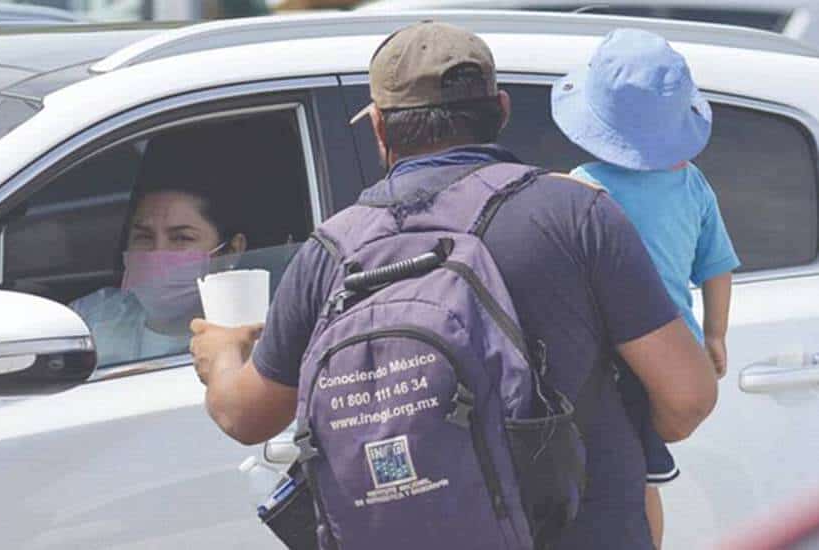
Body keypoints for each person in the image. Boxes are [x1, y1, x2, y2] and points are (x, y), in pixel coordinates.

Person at [190, 21, 718, 549]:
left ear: (379, 127)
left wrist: (221, 354)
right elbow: (687, 397)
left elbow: (244, 415)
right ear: (502, 111)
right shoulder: (577, 214)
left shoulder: (331, 250)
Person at [552, 28, 740, 548]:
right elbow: (716, 264)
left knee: (625, 481)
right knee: (642, 483)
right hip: (674, 351)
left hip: (612, 357)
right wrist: (716, 335)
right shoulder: (692, 183)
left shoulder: (581, 185)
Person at [71, 122, 255, 367]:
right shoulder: (93, 319)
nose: (157, 254)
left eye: (181, 238)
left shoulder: (253, 344)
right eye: (144, 237)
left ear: (232, 250)